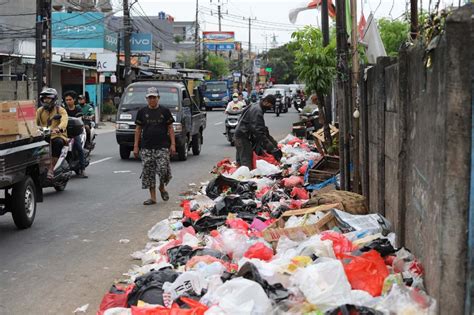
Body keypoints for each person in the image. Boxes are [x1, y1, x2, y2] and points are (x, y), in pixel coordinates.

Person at [134, 87, 176, 206]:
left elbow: (170, 128)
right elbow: (137, 129)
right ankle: (153, 198)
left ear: (158, 98)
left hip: (162, 146)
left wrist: (173, 144)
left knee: (163, 170)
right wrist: (136, 146)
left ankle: (162, 187)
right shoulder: (142, 112)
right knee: (148, 172)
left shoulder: (165, 111)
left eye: (154, 97)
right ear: (147, 99)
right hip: (146, 147)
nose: (152, 100)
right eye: (150, 98)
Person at [233, 94, 283, 169]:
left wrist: (273, 145)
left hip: (240, 135)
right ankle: (245, 178)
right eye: (270, 105)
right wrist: (271, 148)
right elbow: (259, 132)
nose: (270, 108)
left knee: (240, 162)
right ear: (266, 102)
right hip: (242, 137)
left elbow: (262, 129)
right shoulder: (257, 110)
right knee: (246, 162)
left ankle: (240, 177)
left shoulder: (255, 105)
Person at [36, 88, 69, 179]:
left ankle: (51, 168)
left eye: (48, 99)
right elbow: (34, 123)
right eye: (44, 99)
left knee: (57, 142)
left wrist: (58, 128)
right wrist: (35, 129)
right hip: (43, 135)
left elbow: (64, 121)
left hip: (57, 135)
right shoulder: (40, 111)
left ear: (53, 99)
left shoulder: (60, 110)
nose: (46, 101)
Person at [63, 91, 88, 178]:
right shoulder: (64, 110)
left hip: (75, 132)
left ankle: (83, 169)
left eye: (70, 99)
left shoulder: (78, 109)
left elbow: (80, 119)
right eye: (66, 100)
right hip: (65, 133)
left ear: (74, 100)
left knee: (79, 148)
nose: (68, 101)